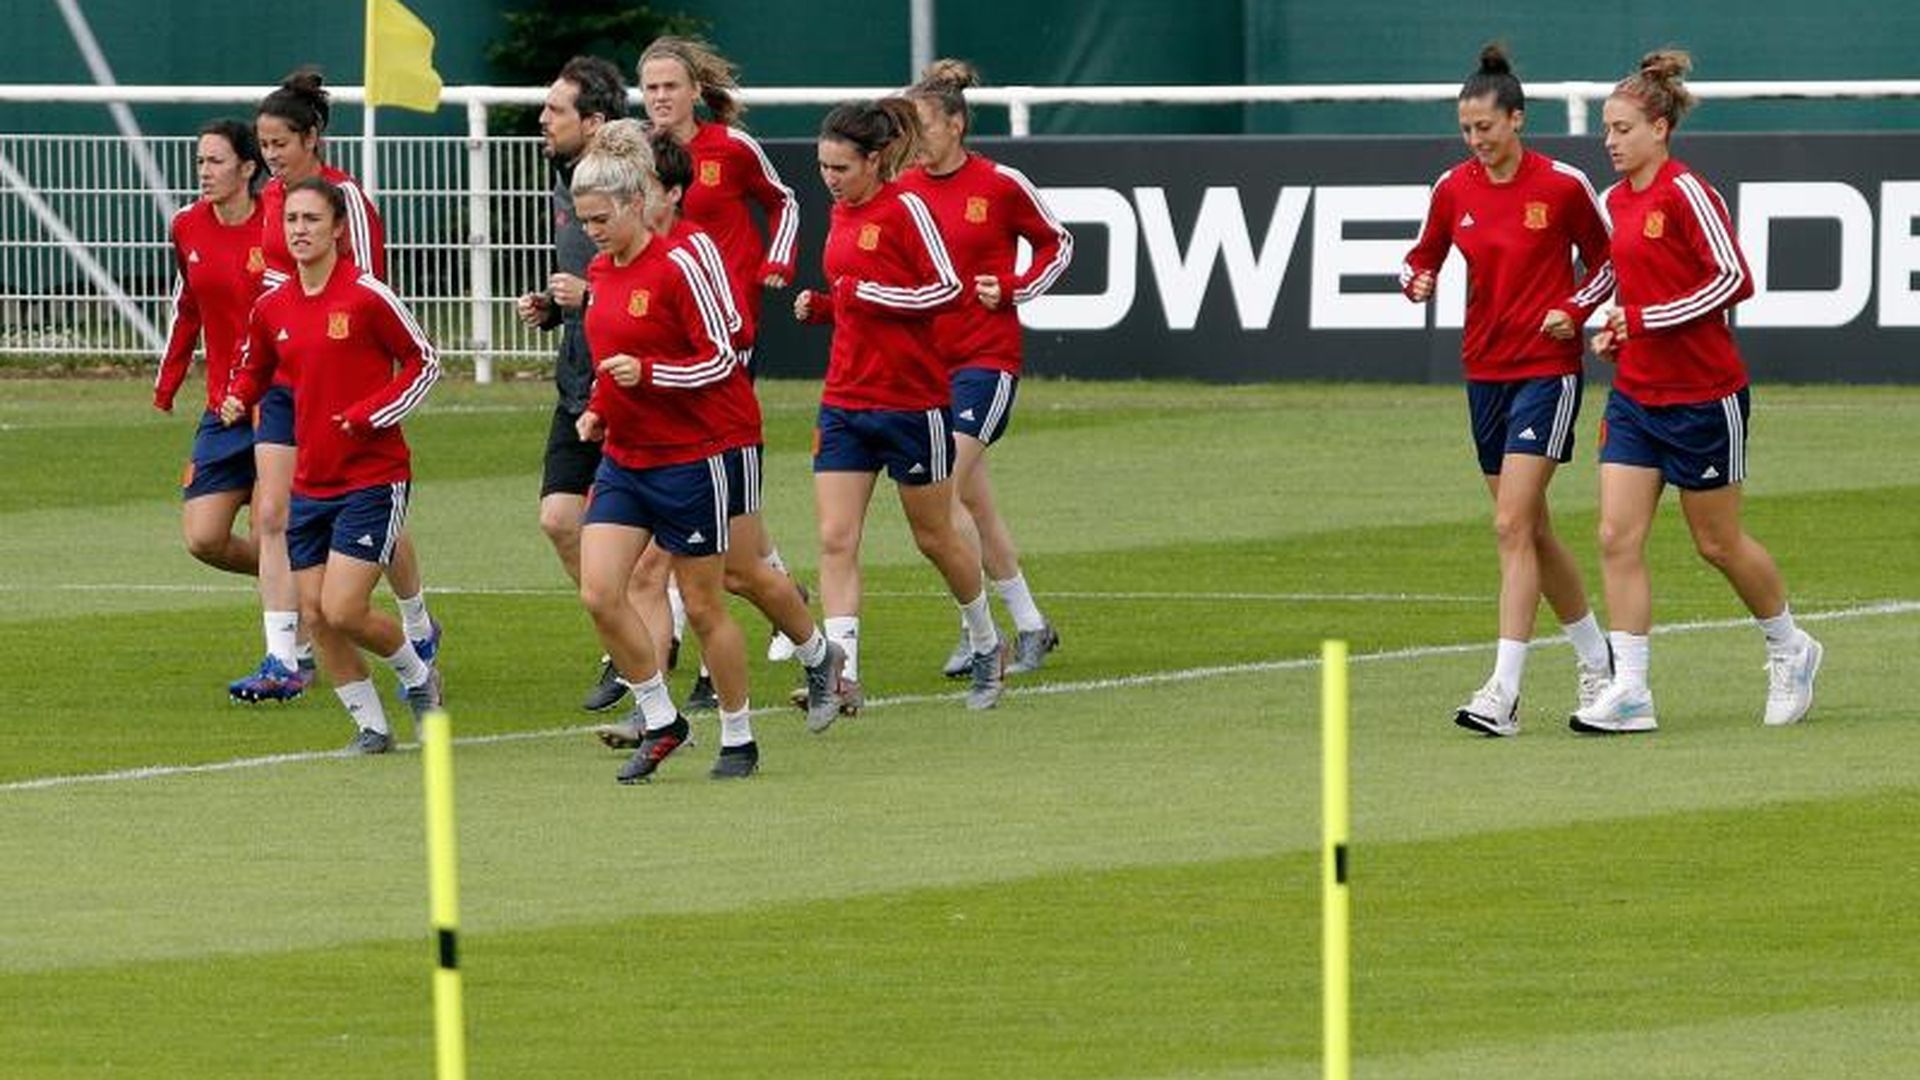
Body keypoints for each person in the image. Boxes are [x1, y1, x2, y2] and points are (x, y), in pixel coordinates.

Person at [1573, 49, 1822, 734]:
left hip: (1704, 398)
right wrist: (1602, 322)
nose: (1610, 141)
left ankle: (1790, 647)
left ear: (1660, 128)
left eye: (1623, 128)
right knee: (1615, 535)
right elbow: (1623, 282)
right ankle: (1632, 691)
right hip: (1635, 397)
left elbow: (1734, 278)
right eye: (1606, 128)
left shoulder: (1687, 192)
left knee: (1716, 544)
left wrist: (1644, 319)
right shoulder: (1613, 202)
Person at [592, 126, 849, 751]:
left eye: (641, 188)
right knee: (647, 573)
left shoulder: (692, 249)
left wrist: (657, 363)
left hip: (720, 432)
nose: (629, 201)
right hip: (660, 441)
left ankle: (819, 655)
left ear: (667, 194)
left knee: (741, 571)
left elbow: (732, 332)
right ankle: (654, 712)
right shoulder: (621, 258)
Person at [1399, 45, 1617, 737]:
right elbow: (1421, 256)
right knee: (1530, 528)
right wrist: (1416, 280)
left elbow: (1610, 261)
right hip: (1484, 371)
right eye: (1466, 129)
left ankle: (1504, 691)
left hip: (1546, 372)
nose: (1475, 139)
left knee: (1508, 525)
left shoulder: (1562, 185)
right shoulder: (1452, 188)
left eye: (1485, 127)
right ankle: (1598, 659)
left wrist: (1575, 310)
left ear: (1516, 120)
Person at [568, 120, 789, 781]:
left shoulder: (680, 265)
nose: (592, 232)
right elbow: (612, 362)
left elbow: (722, 356)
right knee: (599, 592)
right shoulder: (600, 272)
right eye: (584, 220)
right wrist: (600, 409)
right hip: (626, 460)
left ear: (637, 203)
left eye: (602, 218)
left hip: (691, 459)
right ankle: (662, 720)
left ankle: (739, 735)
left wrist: (652, 374)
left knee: (702, 604)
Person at [233, 68, 439, 704]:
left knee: (370, 509)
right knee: (273, 511)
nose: (271, 156)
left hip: (345, 380)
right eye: (264, 145)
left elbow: (368, 294)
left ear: (311, 139)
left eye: (280, 144)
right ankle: (285, 653)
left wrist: (371, 394)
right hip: (288, 377)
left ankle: (416, 623)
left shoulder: (347, 200)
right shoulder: (271, 199)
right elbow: (272, 289)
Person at [795, 98, 1006, 713]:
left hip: (911, 403)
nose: (830, 179)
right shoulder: (838, 211)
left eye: (840, 168)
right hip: (844, 401)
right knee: (835, 539)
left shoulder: (907, 208)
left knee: (935, 537)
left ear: (875, 160)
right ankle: (842, 676)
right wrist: (827, 307)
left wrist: (866, 295)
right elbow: (855, 298)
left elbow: (946, 289)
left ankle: (986, 641)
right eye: (823, 167)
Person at [637, 35, 811, 674]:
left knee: (702, 476)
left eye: (670, 86)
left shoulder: (731, 148)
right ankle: (778, 595)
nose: (660, 97)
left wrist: (777, 259)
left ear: (694, 91)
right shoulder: (639, 156)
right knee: (707, 490)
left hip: (724, 334)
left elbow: (783, 200)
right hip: (661, 335)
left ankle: (686, 638)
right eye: (651, 87)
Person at [900, 59, 1073, 681]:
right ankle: (1029, 624)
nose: (915, 140)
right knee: (972, 503)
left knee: (942, 491)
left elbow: (1058, 243)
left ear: (955, 123)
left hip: (985, 360)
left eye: (922, 126)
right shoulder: (903, 191)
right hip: (925, 370)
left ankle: (980, 633)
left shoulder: (999, 184)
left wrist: (1017, 287)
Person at [512, 56, 635, 714]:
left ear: (594, 121)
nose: (542, 118)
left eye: (555, 109)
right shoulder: (565, 180)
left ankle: (784, 614)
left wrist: (588, 296)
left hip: (637, 385)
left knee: (700, 554)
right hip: (579, 383)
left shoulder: (637, 188)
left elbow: (645, 288)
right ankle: (625, 640)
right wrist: (556, 308)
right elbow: (591, 289)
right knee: (560, 519)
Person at [154, 119, 292, 693]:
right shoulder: (186, 225)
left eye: (215, 161)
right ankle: (304, 582)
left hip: (276, 402)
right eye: (200, 161)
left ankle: (285, 657)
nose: (204, 172)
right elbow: (188, 307)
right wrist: (168, 382)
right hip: (223, 408)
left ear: (247, 168)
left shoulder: (278, 225)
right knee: (203, 537)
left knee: (268, 525)